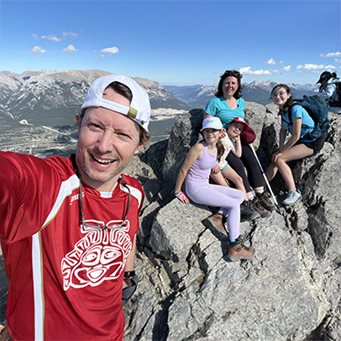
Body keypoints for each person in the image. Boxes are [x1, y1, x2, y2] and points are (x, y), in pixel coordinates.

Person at [0, 74, 151, 340]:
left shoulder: (133, 193)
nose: (104, 146)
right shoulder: (43, 188)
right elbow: (10, 175)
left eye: (122, 134)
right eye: (95, 126)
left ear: (140, 144)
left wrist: (128, 273)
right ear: (79, 124)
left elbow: (129, 232)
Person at [174, 116, 255, 261]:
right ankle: (235, 245)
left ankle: (219, 217)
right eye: (207, 131)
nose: (210, 133)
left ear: (220, 132)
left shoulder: (217, 147)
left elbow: (212, 162)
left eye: (214, 131)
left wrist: (215, 165)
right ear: (203, 132)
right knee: (234, 204)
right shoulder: (199, 148)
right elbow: (183, 170)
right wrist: (178, 191)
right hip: (195, 189)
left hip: (205, 185)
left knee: (239, 195)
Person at [205, 70, 275, 220]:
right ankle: (249, 199)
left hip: (237, 138)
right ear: (222, 85)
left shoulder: (240, 102)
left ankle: (260, 193)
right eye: (227, 83)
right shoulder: (215, 102)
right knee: (237, 165)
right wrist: (218, 132)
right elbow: (206, 123)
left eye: (233, 83)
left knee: (252, 161)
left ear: (238, 86)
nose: (230, 86)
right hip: (222, 141)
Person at [265, 84, 327, 206]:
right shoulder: (283, 111)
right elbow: (283, 130)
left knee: (280, 158)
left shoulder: (295, 109)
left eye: (281, 93)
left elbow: (295, 135)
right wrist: (280, 148)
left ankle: (293, 192)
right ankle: (260, 187)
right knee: (275, 159)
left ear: (288, 95)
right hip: (304, 140)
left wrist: (281, 151)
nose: (278, 96)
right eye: (274, 94)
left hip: (313, 141)